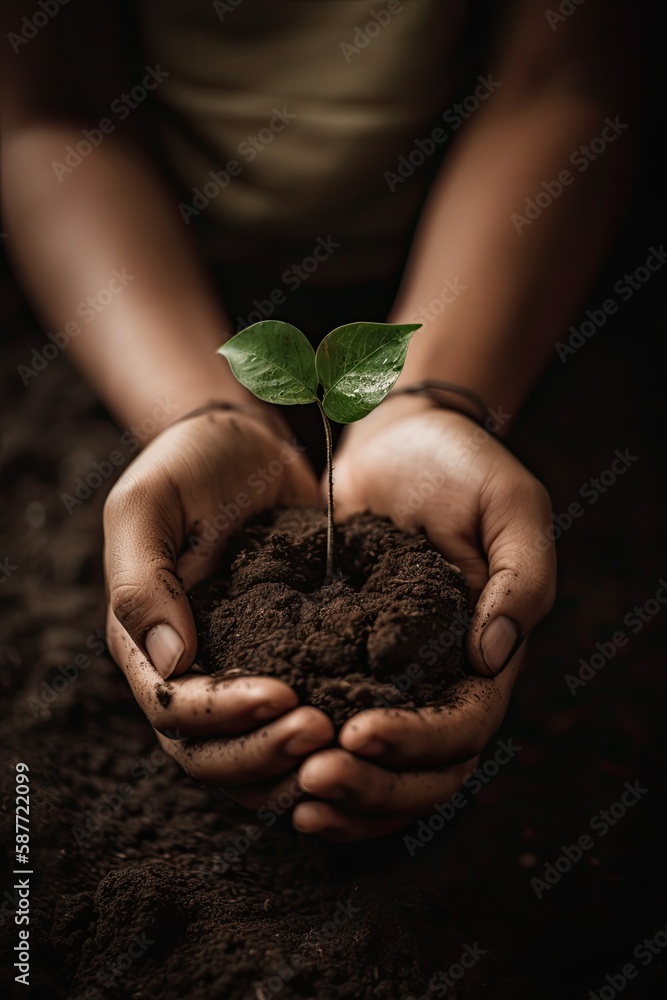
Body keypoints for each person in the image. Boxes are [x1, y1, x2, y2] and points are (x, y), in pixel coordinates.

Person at [1, 0, 635, 841]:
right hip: (152, 290)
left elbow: (562, 82)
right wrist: (202, 412)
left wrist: (430, 399)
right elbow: (53, 110)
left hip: (494, 287)